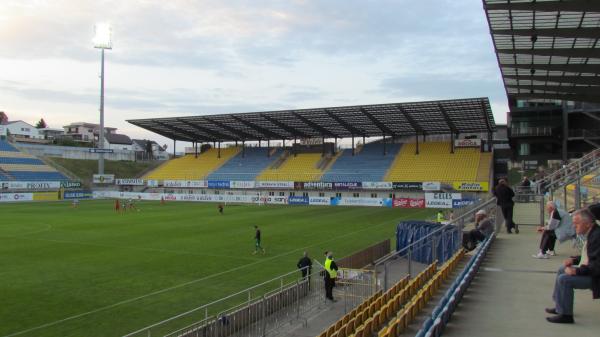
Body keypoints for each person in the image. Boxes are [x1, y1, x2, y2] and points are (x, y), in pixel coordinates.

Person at [546, 208, 600, 324]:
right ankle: (560, 306)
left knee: (564, 279)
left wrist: (577, 271)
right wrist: (575, 260)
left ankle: (566, 316)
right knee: (562, 270)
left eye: (576, 224)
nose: (574, 227)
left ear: (587, 224)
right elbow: (591, 256)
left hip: (597, 278)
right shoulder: (592, 233)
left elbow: (597, 266)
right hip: (592, 271)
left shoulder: (597, 237)